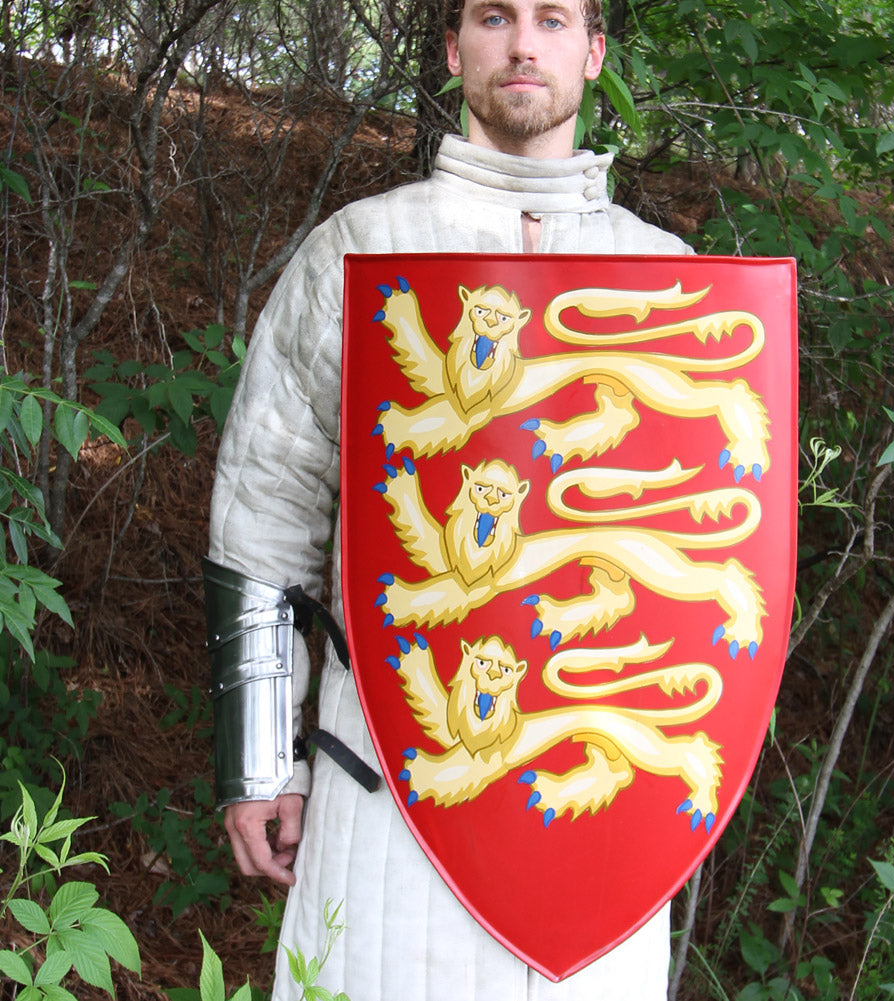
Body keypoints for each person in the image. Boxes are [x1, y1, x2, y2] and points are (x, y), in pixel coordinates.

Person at [205, 2, 693, 999]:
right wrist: (262, 762)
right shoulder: (359, 251)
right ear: (451, 48)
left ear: (593, 52)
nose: (521, 44)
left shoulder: (669, 283)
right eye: (492, 16)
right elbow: (267, 508)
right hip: (383, 781)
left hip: (591, 806)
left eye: (551, 20)